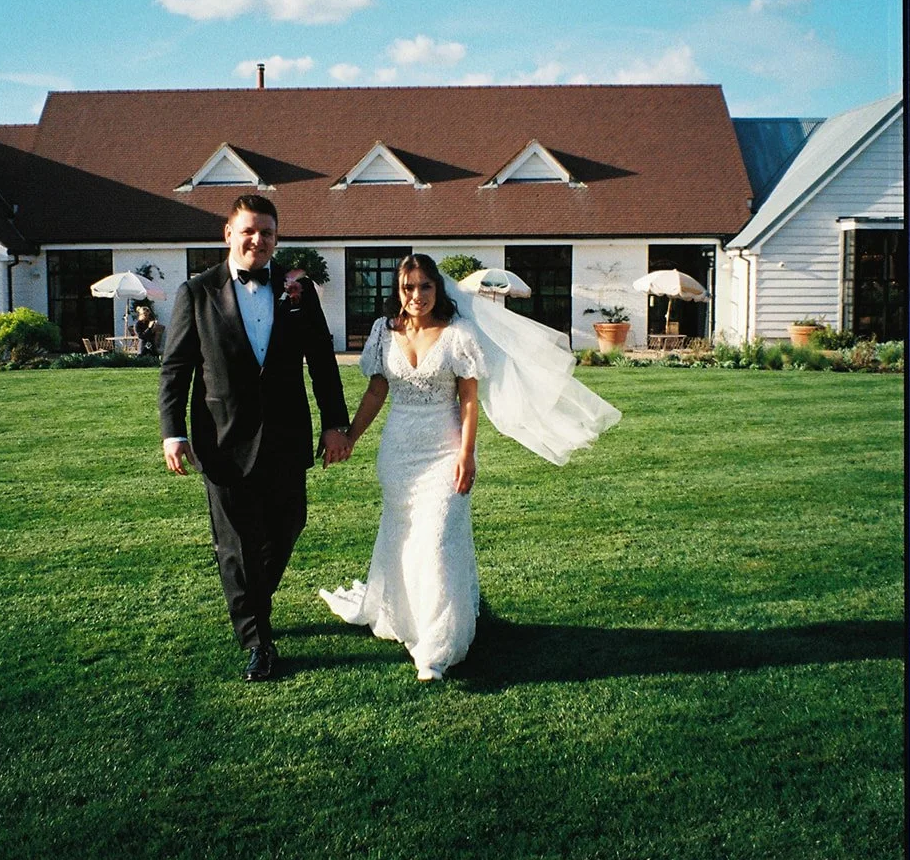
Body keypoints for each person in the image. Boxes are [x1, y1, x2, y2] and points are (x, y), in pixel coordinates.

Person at [320, 253, 622, 681]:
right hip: (398, 451)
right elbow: (375, 392)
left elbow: (467, 399)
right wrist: (350, 435)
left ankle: (436, 647)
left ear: (437, 289)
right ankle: (407, 619)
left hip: (444, 451)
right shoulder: (382, 333)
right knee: (404, 535)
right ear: (398, 291)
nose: (417, 295)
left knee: (439, 537)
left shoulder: (458, 334)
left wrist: (466, 453)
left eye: (425, 286)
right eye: (408, 287)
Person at [159, 194, 351, 682]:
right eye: (248, 230)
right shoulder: (196, 292)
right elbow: (176, 369)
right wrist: (173, 432)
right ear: (228, 233)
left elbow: (323, 363)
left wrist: (335, 423)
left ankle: (252, 604)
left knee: (289, 524)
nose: (257, 240)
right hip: (221, 440)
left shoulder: (298, 292)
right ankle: (257, 640)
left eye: (266, 232)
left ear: (277, 239)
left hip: (286, 436)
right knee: (236, 543)